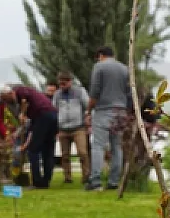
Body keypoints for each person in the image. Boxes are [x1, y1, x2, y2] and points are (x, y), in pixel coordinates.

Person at [0, 84, 59, 189]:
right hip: (52, 115)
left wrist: (22, 113)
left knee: (33, 151)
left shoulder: (20, 90)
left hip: (42, 115)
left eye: (6, 99)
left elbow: (25, 101)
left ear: (10, 93)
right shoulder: (28, 94)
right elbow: (31, 128)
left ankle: (37, 182)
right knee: (48, 150)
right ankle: (45, 182)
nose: (7, 102)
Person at [87, 46, 131, 190]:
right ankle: (113, 182)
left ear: (100, 55)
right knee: (116, 146)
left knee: (98, 145)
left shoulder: (99, 67)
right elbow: (130, 92)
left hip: (103, 110)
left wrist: (89, 109)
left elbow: (95, 90)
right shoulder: (125, 69)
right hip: (121, 111)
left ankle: (96, 181)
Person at [53, 71, 91, 185]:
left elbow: (87, 106)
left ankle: (86, 176)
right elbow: (54, 109)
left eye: (64, 83)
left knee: (83, 153)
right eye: (60, 84)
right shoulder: (57, 95)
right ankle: (67, 177)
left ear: (70, 82)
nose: (62, 86)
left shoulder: (80, 92)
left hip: (78, 128)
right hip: (63, 129)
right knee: (65, 155)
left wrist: (88, 119)